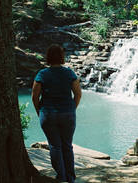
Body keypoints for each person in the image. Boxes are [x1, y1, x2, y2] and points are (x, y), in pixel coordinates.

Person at [32, 44, 82, 183]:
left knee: (55, 146)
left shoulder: (42, 74)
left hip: (48, 114)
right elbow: (78, 94)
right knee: (67, 145)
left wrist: (40, 111)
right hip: (67, 114)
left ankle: (61, 177)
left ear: (48, 57)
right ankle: (70, 178)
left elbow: (35, 97)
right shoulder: (69, 73)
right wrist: (72, 109)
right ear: (61, 57)